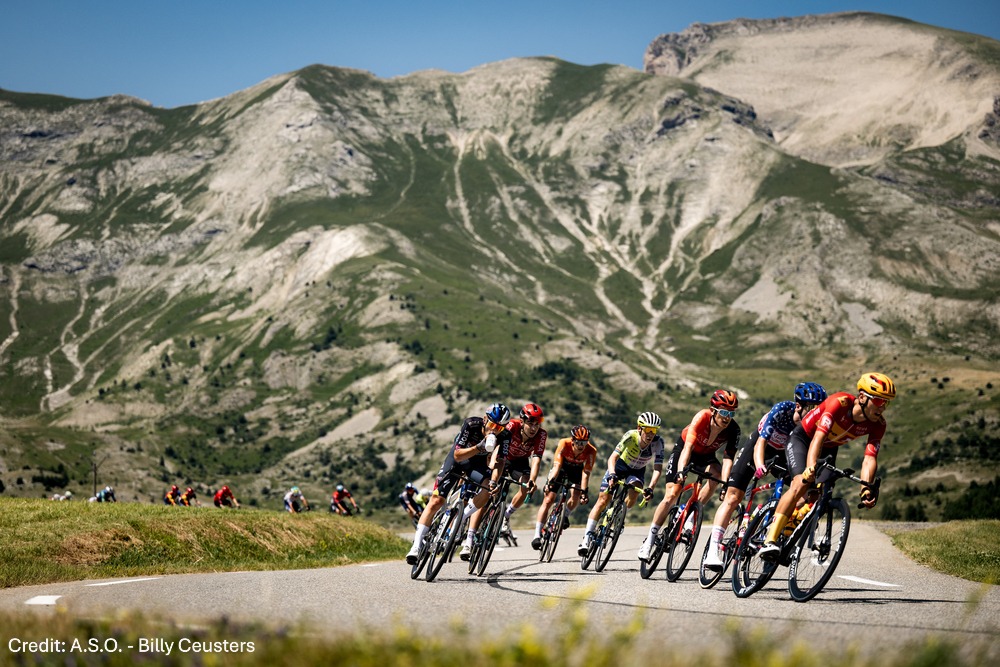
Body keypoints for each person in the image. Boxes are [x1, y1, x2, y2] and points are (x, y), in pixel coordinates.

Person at [758, 373, 894, 561]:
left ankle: (789, 527)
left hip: (829, 448)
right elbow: (818, 438)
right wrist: (810, 467)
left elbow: (869, 459)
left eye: (887, 403)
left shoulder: (878, 425)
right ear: (862, 397)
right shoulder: (839, 403)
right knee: (800, 484)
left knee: (817, 494)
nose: (883, 407)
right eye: (879, 401)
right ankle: (769, 540)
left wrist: (866, 488)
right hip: (804, 439)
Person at [703, 382, 826, 570]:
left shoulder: (811, 426)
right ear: (799, 406)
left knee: (804, 493)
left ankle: (774, 530)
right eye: (810, 409)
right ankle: (712, 551)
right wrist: (759, 465)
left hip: (785, 455)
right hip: (759, 448)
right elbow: (761, 442)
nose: (814, 414)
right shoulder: (782, 410)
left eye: (818, 410)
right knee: (733, 497)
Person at [638, 390, 743, 561]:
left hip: (706, 456)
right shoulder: (701, 418)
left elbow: (727, 458)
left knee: (716, 474)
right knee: (672, 493)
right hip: (686, 450)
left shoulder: (733, 429)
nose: (727, 417)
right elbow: (687, 448)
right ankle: (649, 541)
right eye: (724, 412)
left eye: (731, 413)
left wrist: (725, 483)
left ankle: (691, 514)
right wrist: (681, 471)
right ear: (713, 410)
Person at [405, 403, 513, 565]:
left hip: (477, 464)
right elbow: (457, 455)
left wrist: (493, 481)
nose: (494, 430)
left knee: (487, 489)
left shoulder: (505, 436)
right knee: (437, 500)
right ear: (485, 419)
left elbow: (500, 462)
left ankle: (461, 518)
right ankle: (416, 545)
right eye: (491, 425)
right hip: (459, 459)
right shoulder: (471, 425)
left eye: (499, 428)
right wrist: (479, 447)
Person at [578, 412, 665, 556]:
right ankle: (586, 538)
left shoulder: (658, 442)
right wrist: (612, 474)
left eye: (654, 430)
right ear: (639, 428)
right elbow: (612, 458)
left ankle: (620, 515)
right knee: (603, 500)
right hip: (620, 466)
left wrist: (651, 488)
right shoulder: (631, 436)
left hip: (637, 471)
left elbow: (657, 468)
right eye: (648, 430)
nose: (651, 434)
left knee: (636, 492)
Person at [532, 424, 596, 550]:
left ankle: (565, 514)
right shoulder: (564, 443)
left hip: (577, 470)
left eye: (584, 442)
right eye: (578, 442)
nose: (581, 446)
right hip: (561, 468)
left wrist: (584, 492)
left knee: (576, 496)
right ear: (572, 440)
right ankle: (537, 535)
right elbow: (556, 467)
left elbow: (586, 473)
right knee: (549, 499)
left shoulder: (591, 450)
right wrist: (549, 483)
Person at [493, 402, 548, 541]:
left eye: (537, 424)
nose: (534, 428)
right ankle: (489, 512)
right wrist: (492, 461)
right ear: (522, 421)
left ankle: (505, 516)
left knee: (525, 485)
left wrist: (532, 481)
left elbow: (536, 460)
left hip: (520, 462)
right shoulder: (512, 426)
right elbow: (497, 444)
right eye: (531, 423)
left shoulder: (541, 435)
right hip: (503, 457)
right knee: (492, 487)